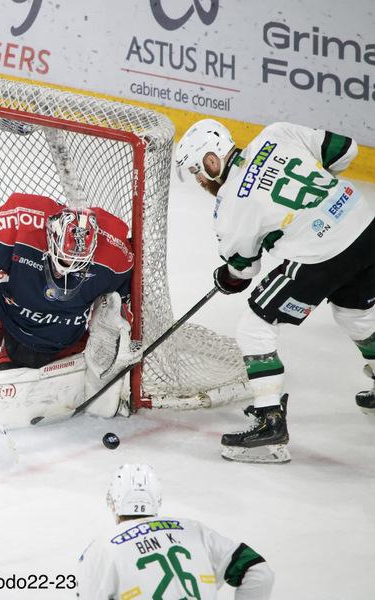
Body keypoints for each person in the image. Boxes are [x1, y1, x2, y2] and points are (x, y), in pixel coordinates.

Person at [174, 119, 375, 463]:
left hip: (320, 254)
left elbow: (243, 270)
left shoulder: (230, 206)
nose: (198, 179)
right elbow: (345, 150)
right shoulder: (276, 133)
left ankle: (269, 424)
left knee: (254, 327)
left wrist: (227, 277)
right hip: (364, 223)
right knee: (354, 312)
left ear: (212, 159)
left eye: (196, 170)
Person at [0, 192, 134, 371]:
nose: (68, 267)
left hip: (62, 336)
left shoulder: (116, 255)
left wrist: (117, 333)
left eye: (78, 263)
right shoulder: (23, 222)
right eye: (64, 258)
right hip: (7, 307)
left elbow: (124, 302)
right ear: (52, 236)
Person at [78, 464, 274, 599]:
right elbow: (259, 571)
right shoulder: (194, 530)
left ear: (113, 502)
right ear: (157, 499)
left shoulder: (101, 549)